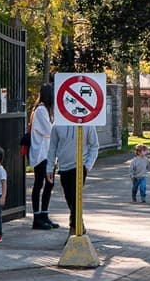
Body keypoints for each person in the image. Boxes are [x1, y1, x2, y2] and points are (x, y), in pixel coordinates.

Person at [47, 106, 103, 233]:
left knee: (75, 197)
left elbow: (94, 146)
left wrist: (87, 166)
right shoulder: (57, 125)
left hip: (79, 167)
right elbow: (52, 148)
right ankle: (79, 224)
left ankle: (73, 227)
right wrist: (50, 167)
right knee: (69, 198)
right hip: (63, 167)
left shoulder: (87, 125)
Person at [28, 88, 58, 229]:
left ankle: (44, 214)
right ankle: (37, 217)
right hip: (41, 154)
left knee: (49, 184)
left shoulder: (48, 110)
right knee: (39, 183)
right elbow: (49, 130)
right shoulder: (40, 110)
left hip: (48, 153)